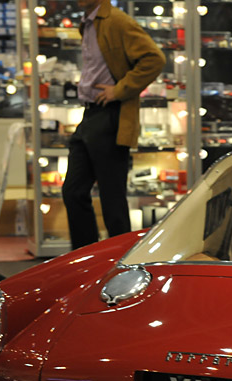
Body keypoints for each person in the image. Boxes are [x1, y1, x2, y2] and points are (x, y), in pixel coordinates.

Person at [62, 0, 164, 249]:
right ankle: (85, 259)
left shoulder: (117, 20)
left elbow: (154, 58)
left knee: (112, 199)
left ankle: (119, 261)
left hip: (111, 115)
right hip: (90, 115)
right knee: (73, 191)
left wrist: (119, 90)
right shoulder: (88, 23)